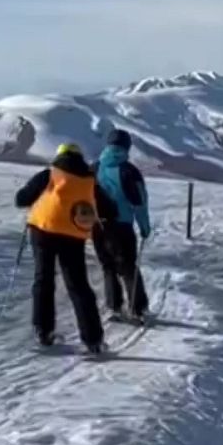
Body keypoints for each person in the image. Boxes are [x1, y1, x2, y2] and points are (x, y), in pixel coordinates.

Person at [14, 142, 116, 355]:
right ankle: (93, 339)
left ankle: (44, 331)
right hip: (73, 235)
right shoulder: (90, 181)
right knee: (78, 286)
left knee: (43, 279)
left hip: (42, 230)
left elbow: (21, 199)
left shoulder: (50, 174)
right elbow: (110, 209)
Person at [92, 129, 152, 322]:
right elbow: (140, 202)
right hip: (122, 226)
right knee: (128, 267)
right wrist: (144, 226)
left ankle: (114, 306)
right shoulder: (129, 171)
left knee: (107, 266)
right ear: (127, 147)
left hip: (98, 226)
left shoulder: (94, 167)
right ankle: (138, 308)